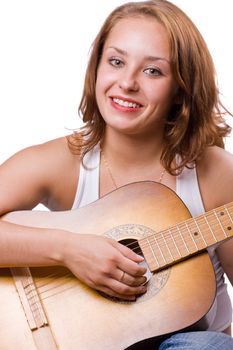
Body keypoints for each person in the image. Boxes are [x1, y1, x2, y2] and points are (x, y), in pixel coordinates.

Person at [0, 0, 233, 349]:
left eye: (153, 71)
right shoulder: (60, 162)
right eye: (116, 61)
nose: (127, 83)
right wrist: (68, 249)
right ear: (96, 68)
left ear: (181, 89)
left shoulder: (215, 173)